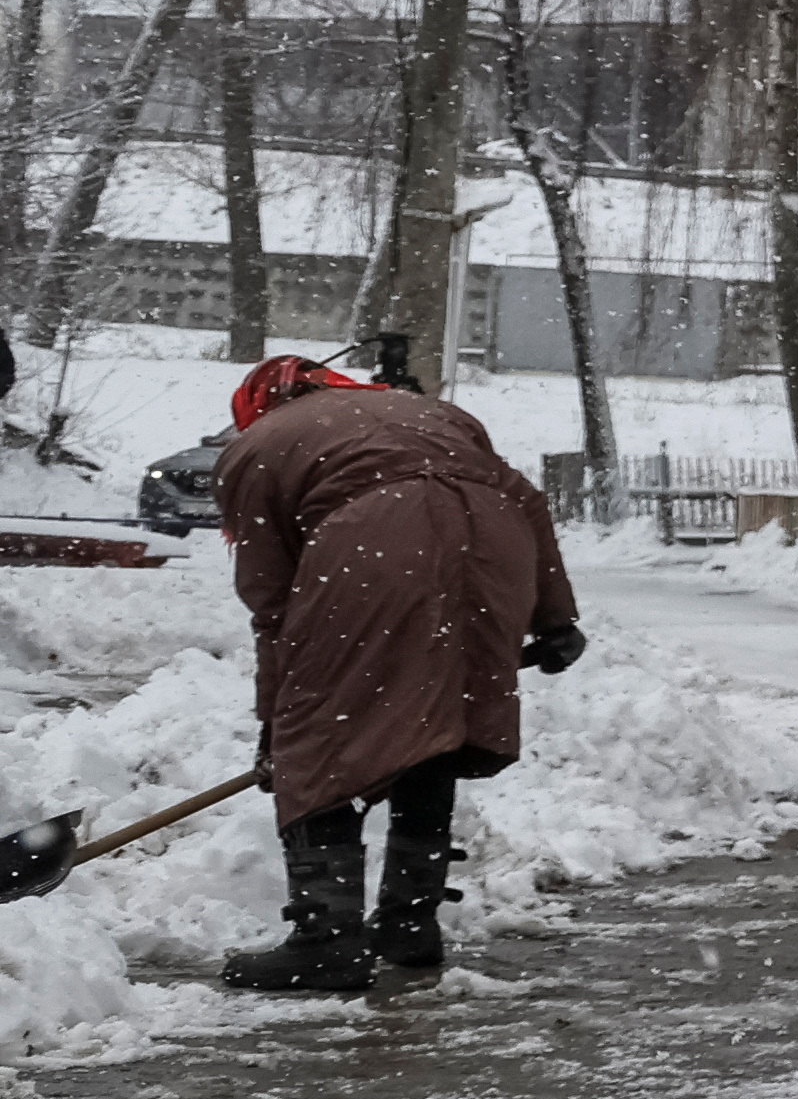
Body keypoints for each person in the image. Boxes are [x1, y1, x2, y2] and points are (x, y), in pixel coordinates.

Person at [213, 355, 585, 999]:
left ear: (253, 407)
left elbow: (272, 607)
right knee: (439, 720)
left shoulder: (258, 448)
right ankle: (409, 923)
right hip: (494, 546)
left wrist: (278, 725)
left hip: (374, 542)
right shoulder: (432, 413)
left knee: (320, 731)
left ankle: (325, 940)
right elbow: (523, 497)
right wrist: (555, 619)